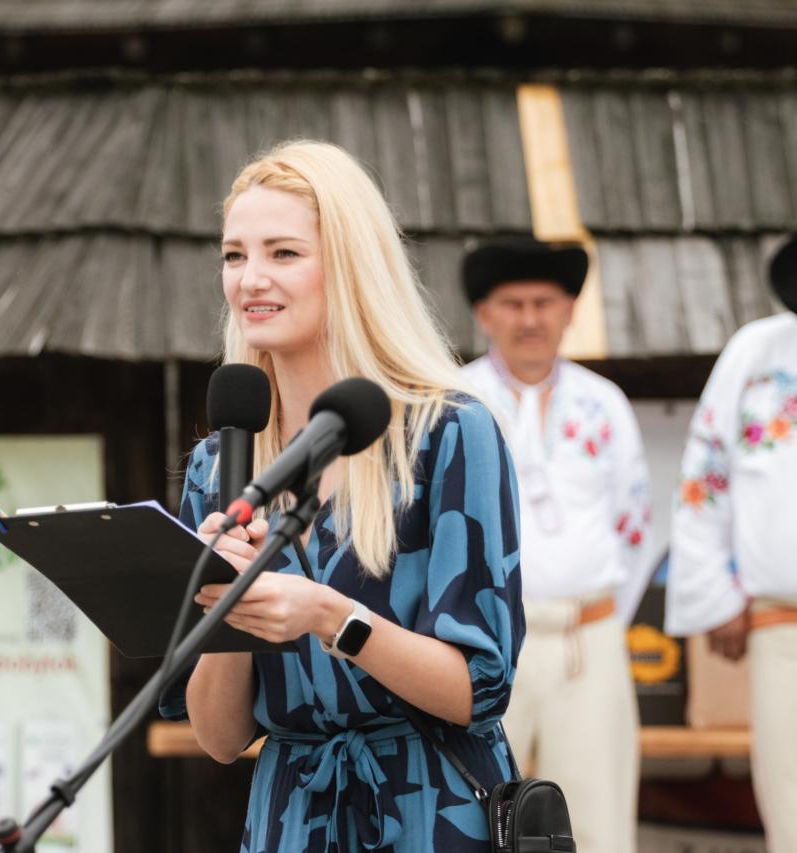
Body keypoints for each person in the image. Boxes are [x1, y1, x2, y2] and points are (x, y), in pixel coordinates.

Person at [159, 140, 524, 852]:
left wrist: (329, 615)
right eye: (234, 255)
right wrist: (229, 600)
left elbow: (476, 690)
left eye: (283, 253)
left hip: (433, 809)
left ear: (351, 265)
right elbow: (220, 738)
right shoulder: (219, 465)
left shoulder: (450, 433)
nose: (250, 279)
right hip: (290, 815)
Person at [460, 238, 652, 853]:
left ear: (569, 310)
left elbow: (634, 526)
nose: (530, 319)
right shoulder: (453, 400)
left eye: (544, 302)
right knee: (475, 816)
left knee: (597, 821)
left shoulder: (604, 403)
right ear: (484, 314)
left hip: (584, 642)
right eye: (512, 304)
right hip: (481, 646)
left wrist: (592, 618)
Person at [666, 233, 797, 852]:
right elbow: (706, 474)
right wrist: (716, 597)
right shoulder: (757, 353)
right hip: (783, 625)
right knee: (791, 801)